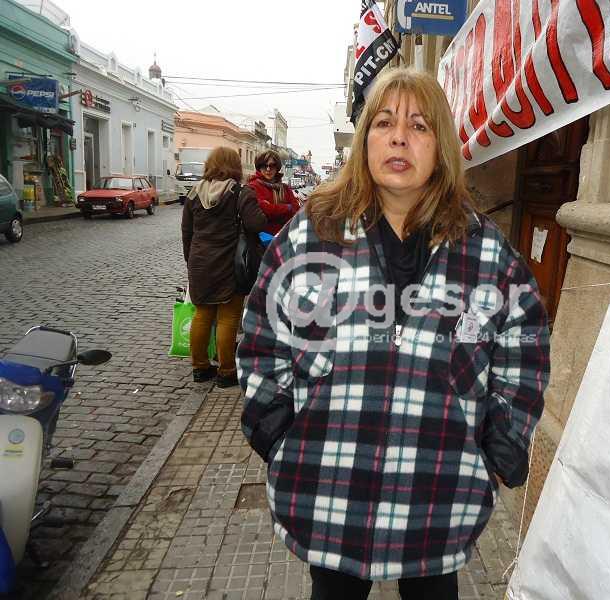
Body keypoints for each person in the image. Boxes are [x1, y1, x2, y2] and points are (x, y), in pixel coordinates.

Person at [237, 68, 550, 600]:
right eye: (384, 123)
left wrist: (501, 439)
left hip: (440, 493)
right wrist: (275, 422)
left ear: (441, 147)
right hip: (329, 489)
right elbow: (263, 332)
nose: (399, 137)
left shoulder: (483, 250)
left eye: (419, 126)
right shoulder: (314, 233)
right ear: (365, 140)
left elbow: (526, 345)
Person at [181, 146, 268, 388]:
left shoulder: (194, 193)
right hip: (230, 264)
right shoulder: (241, 192)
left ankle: (200, 368)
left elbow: (187, 231)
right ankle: (226, 371)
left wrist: (191, 261)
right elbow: (256, 223)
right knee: (228, 318)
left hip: (200, 263)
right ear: (235, 166)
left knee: (202, 314)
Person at [245, 149, 300, 236]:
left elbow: (296, 210)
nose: (268, 169)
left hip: (284, 236)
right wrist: (288, 207)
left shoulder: (284, 188)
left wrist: (274, 208)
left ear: (277, 167)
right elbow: (265, 210)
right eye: (264, 166)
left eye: (272, 165)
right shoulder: (253, 186)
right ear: (259, 167)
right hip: (262, 239)